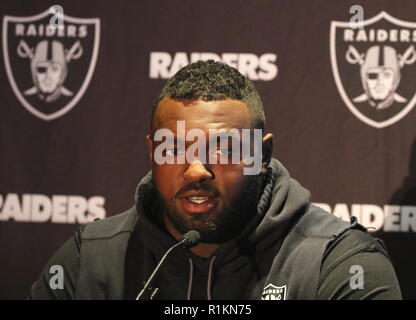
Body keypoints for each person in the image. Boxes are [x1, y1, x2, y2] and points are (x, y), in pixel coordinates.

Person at [28, 60, 402, 300]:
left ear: (262, 156)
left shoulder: (337, 263)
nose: (195, 171)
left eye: (223, 149)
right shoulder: (90, 259)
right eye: (173, 149)